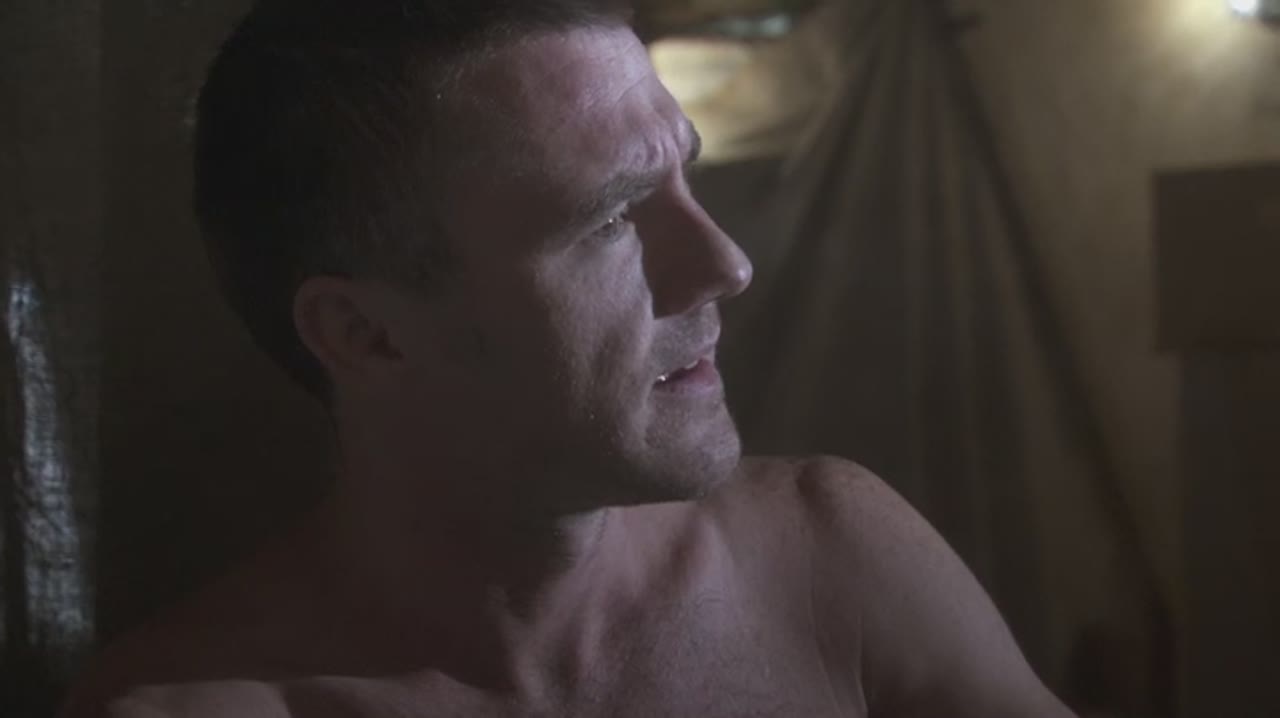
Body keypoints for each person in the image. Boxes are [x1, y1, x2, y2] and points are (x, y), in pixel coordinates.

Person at [62, 1, 1076, 716]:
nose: (723, 265)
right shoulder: (195, 705)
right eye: (612, 219)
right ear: (366, 334)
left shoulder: (831, 558)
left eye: (685, 179)